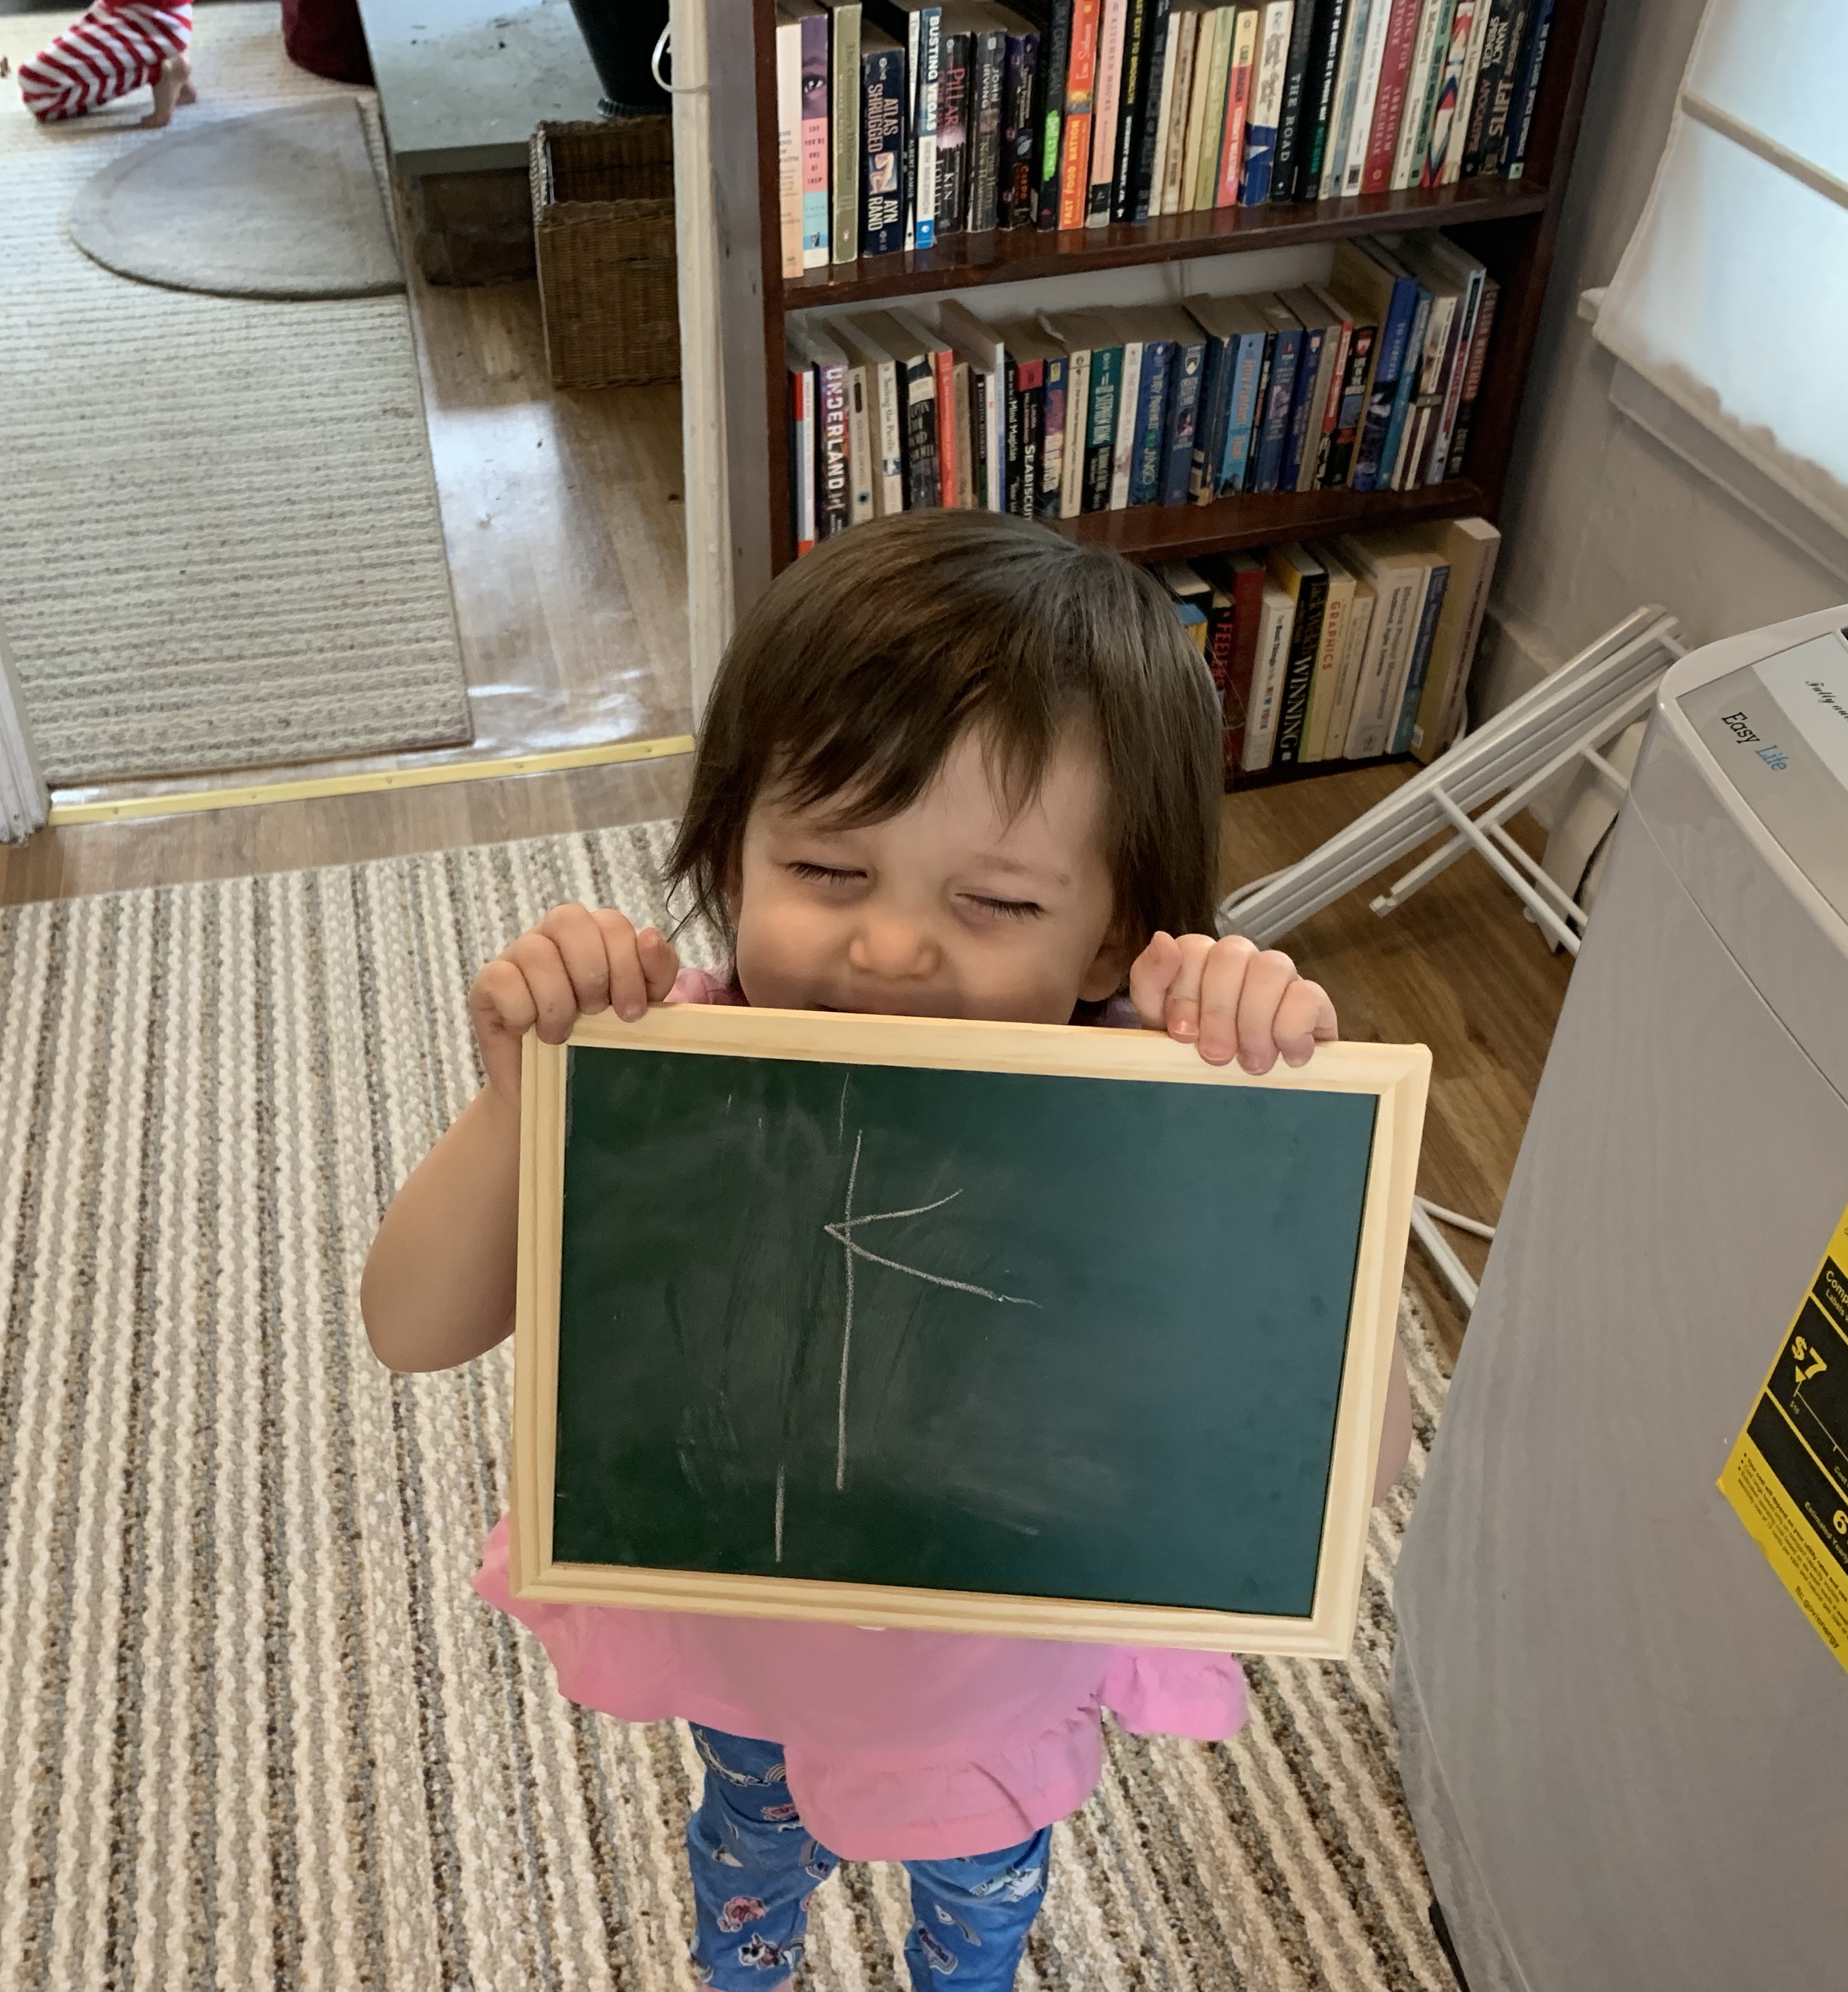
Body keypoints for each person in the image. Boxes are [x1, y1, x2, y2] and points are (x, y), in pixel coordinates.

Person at [360, 509, 1410, 1992]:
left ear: (1112, 937)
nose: (893, 948)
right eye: (829, 870)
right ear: (732, 858)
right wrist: (517, 1102)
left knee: (978, 1914)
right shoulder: (669, 1076)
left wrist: (1288, 1168)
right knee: (747, 1848)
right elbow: (407, 1326)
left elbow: (1353, 1467)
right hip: (744, 1643)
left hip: (995, 1684)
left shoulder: (1157, 1121)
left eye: (995, 901)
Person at [17, 0, 198, 128]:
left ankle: (160, 72)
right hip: (128, 9)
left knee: (37, 90)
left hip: (149, 19)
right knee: (36, 84)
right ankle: (161, 60)